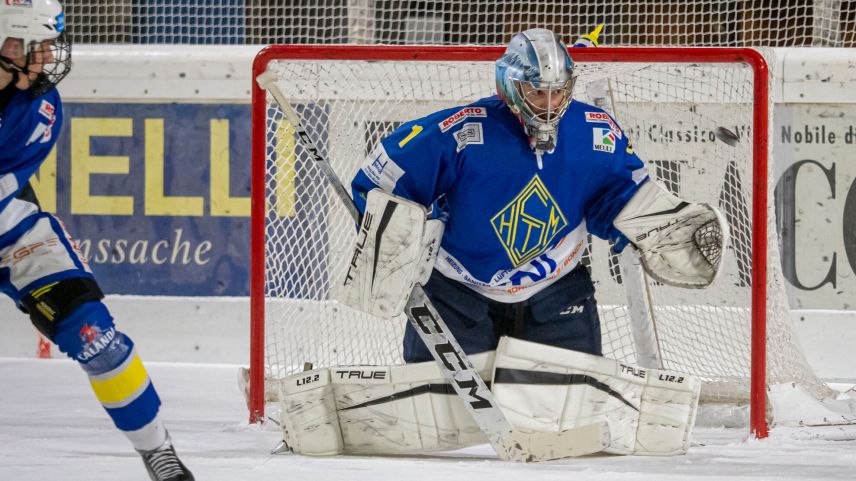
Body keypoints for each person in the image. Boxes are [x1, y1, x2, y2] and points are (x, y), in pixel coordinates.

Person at [350, 27, 725, 363]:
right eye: (536, 92)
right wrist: (391, 242)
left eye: (557, 92)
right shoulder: (463, 130)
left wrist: (657, 222)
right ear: (511, 84)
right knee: (440, 415)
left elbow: (616, 196)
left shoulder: (594, 131)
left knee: (568, 413)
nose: (549, 103)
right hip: (457, 290)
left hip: (556, 289)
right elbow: (381, 180)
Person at [0, 2, 193, 480]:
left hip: (12, 230)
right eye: (36, 46)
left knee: (97, 339)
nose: (46, 59)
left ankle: (158, 452)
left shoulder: (39, 108)